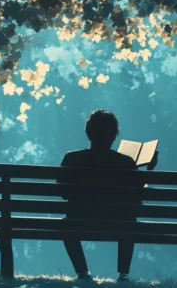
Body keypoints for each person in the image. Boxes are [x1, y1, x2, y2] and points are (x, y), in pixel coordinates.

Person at [57, 109, 158, 282]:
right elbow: (138, 195)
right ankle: (123, 274)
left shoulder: (72, 158)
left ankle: (82, 273)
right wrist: (148, 171)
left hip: (80, 220)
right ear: (114, 135)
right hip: (119, 222)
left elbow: (62, 192)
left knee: (66, 224)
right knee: (130, 220)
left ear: (89, 133)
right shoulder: (126, 162)